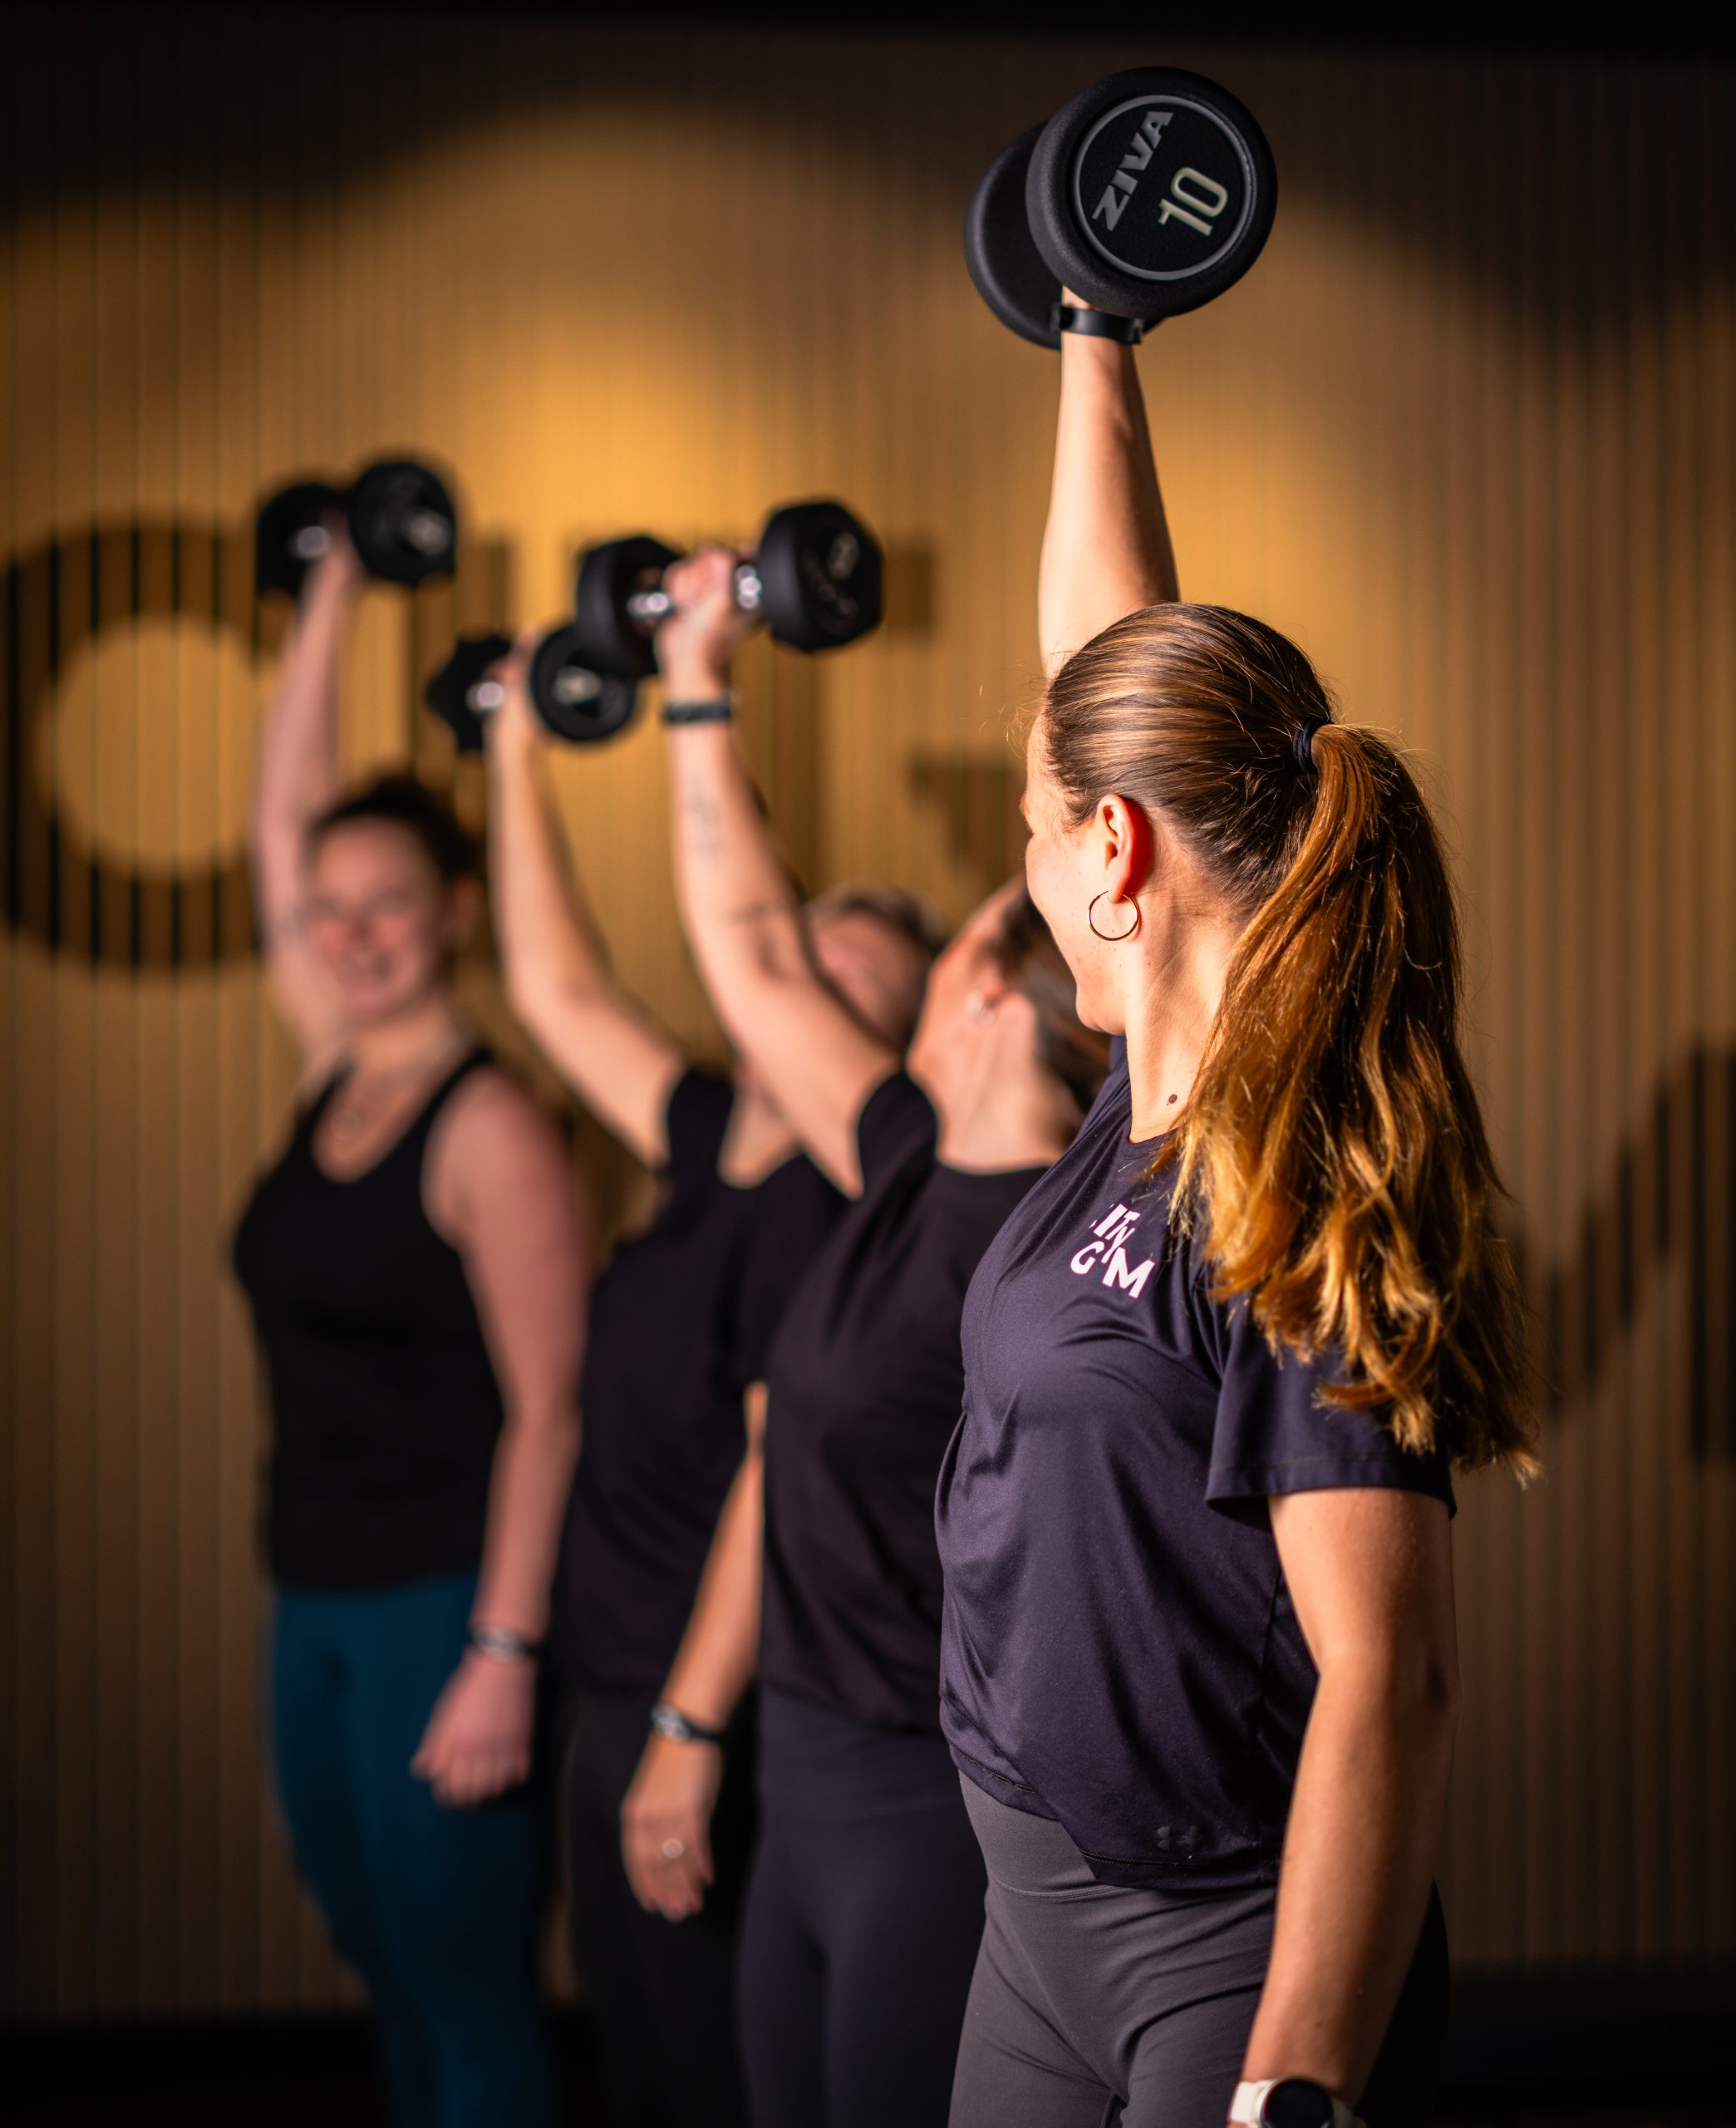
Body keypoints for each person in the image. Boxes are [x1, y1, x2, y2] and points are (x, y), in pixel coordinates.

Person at [933, 304, 1539, 2128]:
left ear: (1114, 855)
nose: (1023, 868)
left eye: (1034, 828)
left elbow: (1394, 1672)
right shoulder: (1149, 1098)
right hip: (1030, 1911)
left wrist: (1293, 2080)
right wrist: (1093, 329)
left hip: (1223, 1952)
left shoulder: (1297, 1190)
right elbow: (1096, 659)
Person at [613, 564, 1110, 2128]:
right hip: (809, 1766)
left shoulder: (1046, 1252)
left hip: (925, 1801)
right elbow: (752, 954)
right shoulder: (906, 1151)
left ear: (978, 991)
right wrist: (697, 679)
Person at [479, 636, 940, 2128]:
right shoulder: (698, 1132)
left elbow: (772, 1475)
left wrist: (685, 1729)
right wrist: (511, 746)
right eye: (805, 954)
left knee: (715, 2083)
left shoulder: (832, 1207)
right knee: (640, 2051)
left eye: (851, 989)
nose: (797, 992)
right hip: (610, 1672)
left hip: (715, 1696)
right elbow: (553, 990)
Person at [232, 532, 585, 2128]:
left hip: (445, 1603)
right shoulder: (334, 1067)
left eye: (389, 905)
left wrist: (502, 1655)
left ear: (453, 914)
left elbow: (551, 1409)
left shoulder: (485, 1122)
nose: (350, 931)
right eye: (330, 911)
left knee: (468, 1989)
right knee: (379, 1961)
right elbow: (278, 828)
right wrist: (336, 592)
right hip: (312, 1592)